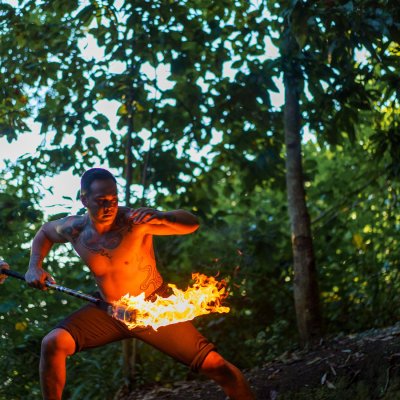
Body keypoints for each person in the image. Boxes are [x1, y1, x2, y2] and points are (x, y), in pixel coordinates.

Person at [0, 168, 255, 400]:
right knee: (52, 343)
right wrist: (35, 265)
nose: (109, 206)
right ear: (84, 200)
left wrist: (162, 216)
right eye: (101, 201)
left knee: (221, 370)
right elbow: (45, 233)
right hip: (109, 311)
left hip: (153, 308)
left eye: (113, 198)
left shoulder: (134, 222)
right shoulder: (74, 229)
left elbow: (191, 223)